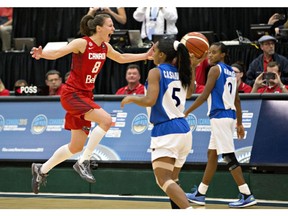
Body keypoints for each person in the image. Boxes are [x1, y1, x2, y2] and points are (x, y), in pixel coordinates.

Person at [30, 13, 154, 194]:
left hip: (86, 95)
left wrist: (145, 55)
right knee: (106, 121)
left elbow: (121, 58)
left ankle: (41, 170)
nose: (113, 29)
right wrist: (43, 54)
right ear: (99, 28)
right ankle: (83, 162)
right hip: (72, 94)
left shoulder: (105, 47)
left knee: (75, 147)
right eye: (110, 25)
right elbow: (58, 52)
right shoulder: (82, 43)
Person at [121, 38, 194, 209]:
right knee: (172, 181)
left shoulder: (156, 72)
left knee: (163, 180)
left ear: (161, 55)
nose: (152, 54)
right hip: (183, 130)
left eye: (154, 51)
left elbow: (150, 100)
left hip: (166, 130)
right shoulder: (180, 71)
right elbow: (189, 94)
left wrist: (133, 97)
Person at [184, 42, 257, 208]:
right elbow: (237, 100)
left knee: (228, 156)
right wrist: (239, 122)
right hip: (228, 116)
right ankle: (201, 193)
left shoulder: (215, 70)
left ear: (223, 54)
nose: (210, 55)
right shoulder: (231, 71)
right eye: (209, 53)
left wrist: (187, 112)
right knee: (212, 154)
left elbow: (203, 95)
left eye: (214, 53)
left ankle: (247, 194)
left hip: (220, 117)